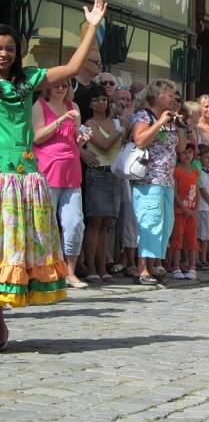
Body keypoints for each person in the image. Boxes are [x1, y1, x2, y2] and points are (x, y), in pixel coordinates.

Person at [0, 0, 106, 351]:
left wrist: (91, 27)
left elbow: (74, 68)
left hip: (25, 178)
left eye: (10, 48)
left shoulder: (28, 79)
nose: (4, 53)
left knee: (15, 249)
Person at [32, 81, 91, 289]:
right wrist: (60, 120)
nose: (60, 89)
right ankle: (45, 271)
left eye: (65, 85)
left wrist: (82, 138)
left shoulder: (73, 107)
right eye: (56, 85)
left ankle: (70, 272)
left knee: (74, 223)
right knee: (45, 225)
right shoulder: (39, 106)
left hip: (71, 171)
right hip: (47, 170)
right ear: (48, 87)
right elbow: (37, 138)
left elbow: (75, 140)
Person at [129, 79, 187, 285]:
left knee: (164, 224)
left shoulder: (170, 118)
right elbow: (140, 139)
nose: (173, 99)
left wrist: (178, 124)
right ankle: (141, 268)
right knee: (149, 221)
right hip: (148, 179)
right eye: (169, 95)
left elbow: (181, 148)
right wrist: (160, 123)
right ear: (157, 96)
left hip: (166, 179)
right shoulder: (143, 116)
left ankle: (153, 265)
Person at [83, 83, 124, 283]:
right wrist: (122, 129)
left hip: (114, 175)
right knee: (94, 223)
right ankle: (91, 267)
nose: (101, 102)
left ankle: (102, 266)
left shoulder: (116, 123)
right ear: (90, 104)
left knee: (107, 223)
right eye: (96, 99)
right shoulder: (89, 124)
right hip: (97, 173)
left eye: (103, 99)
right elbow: (105, 145)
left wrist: (122, 126)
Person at [170, 144, 200, 280]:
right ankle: (176, 267)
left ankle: (192, 267)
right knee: (178, 239)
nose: (187, 155)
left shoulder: (195, 172)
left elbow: (197, 192)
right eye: (184, 153)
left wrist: (196, 209)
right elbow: (175, 192)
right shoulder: (176, 171)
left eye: (189, 152)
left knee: (192, 240)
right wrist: (183, 208)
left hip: (192, 212)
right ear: (178, 155)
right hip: (180, 211)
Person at [197, 144, 209, 269]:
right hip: (203, 207)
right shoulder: (201, 173)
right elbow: (202, 189)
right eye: (206, 157)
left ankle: (204, 258)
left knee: (208, 235)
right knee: (201, 235)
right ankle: (200, 259)